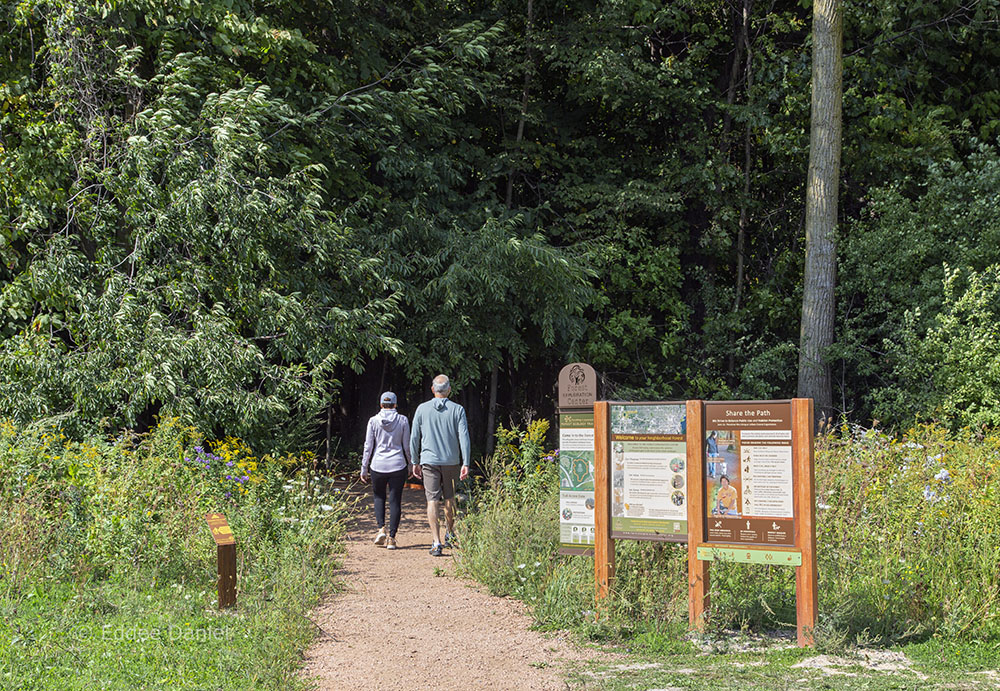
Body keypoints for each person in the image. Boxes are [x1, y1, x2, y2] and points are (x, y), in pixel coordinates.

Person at [410, 374, 470, 556]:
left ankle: (436, 542)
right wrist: (466, 462)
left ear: (432, 389)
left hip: (429, 461)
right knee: (450, 498)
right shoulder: (458, 410)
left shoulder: (422, 409)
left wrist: (414, 461)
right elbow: (464, 437)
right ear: (449, 390)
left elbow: (414, 437)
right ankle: (450, 534)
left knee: (432, 500)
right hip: (451, 461)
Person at [360, 391, 412, 550]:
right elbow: (407, 445)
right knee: (395, 500)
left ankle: (381, 528)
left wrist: (364, 467)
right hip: (398, 464)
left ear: (381, 404)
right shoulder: (403, 420)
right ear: (395, 404)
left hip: (378, 465)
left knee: (378, 497)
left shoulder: (373, 421)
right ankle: (392, 538)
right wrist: (411, 464)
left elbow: (368, 446)